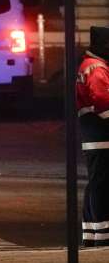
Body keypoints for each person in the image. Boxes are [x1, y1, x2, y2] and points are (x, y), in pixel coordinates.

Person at [79, 26, 109, 247]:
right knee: (101, 184)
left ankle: (92, 233)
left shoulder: (90, 66)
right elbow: (102, 100)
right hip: (101, 133)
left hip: (93, 133)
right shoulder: (97, 68)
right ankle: (103, 234)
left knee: (95, 182)